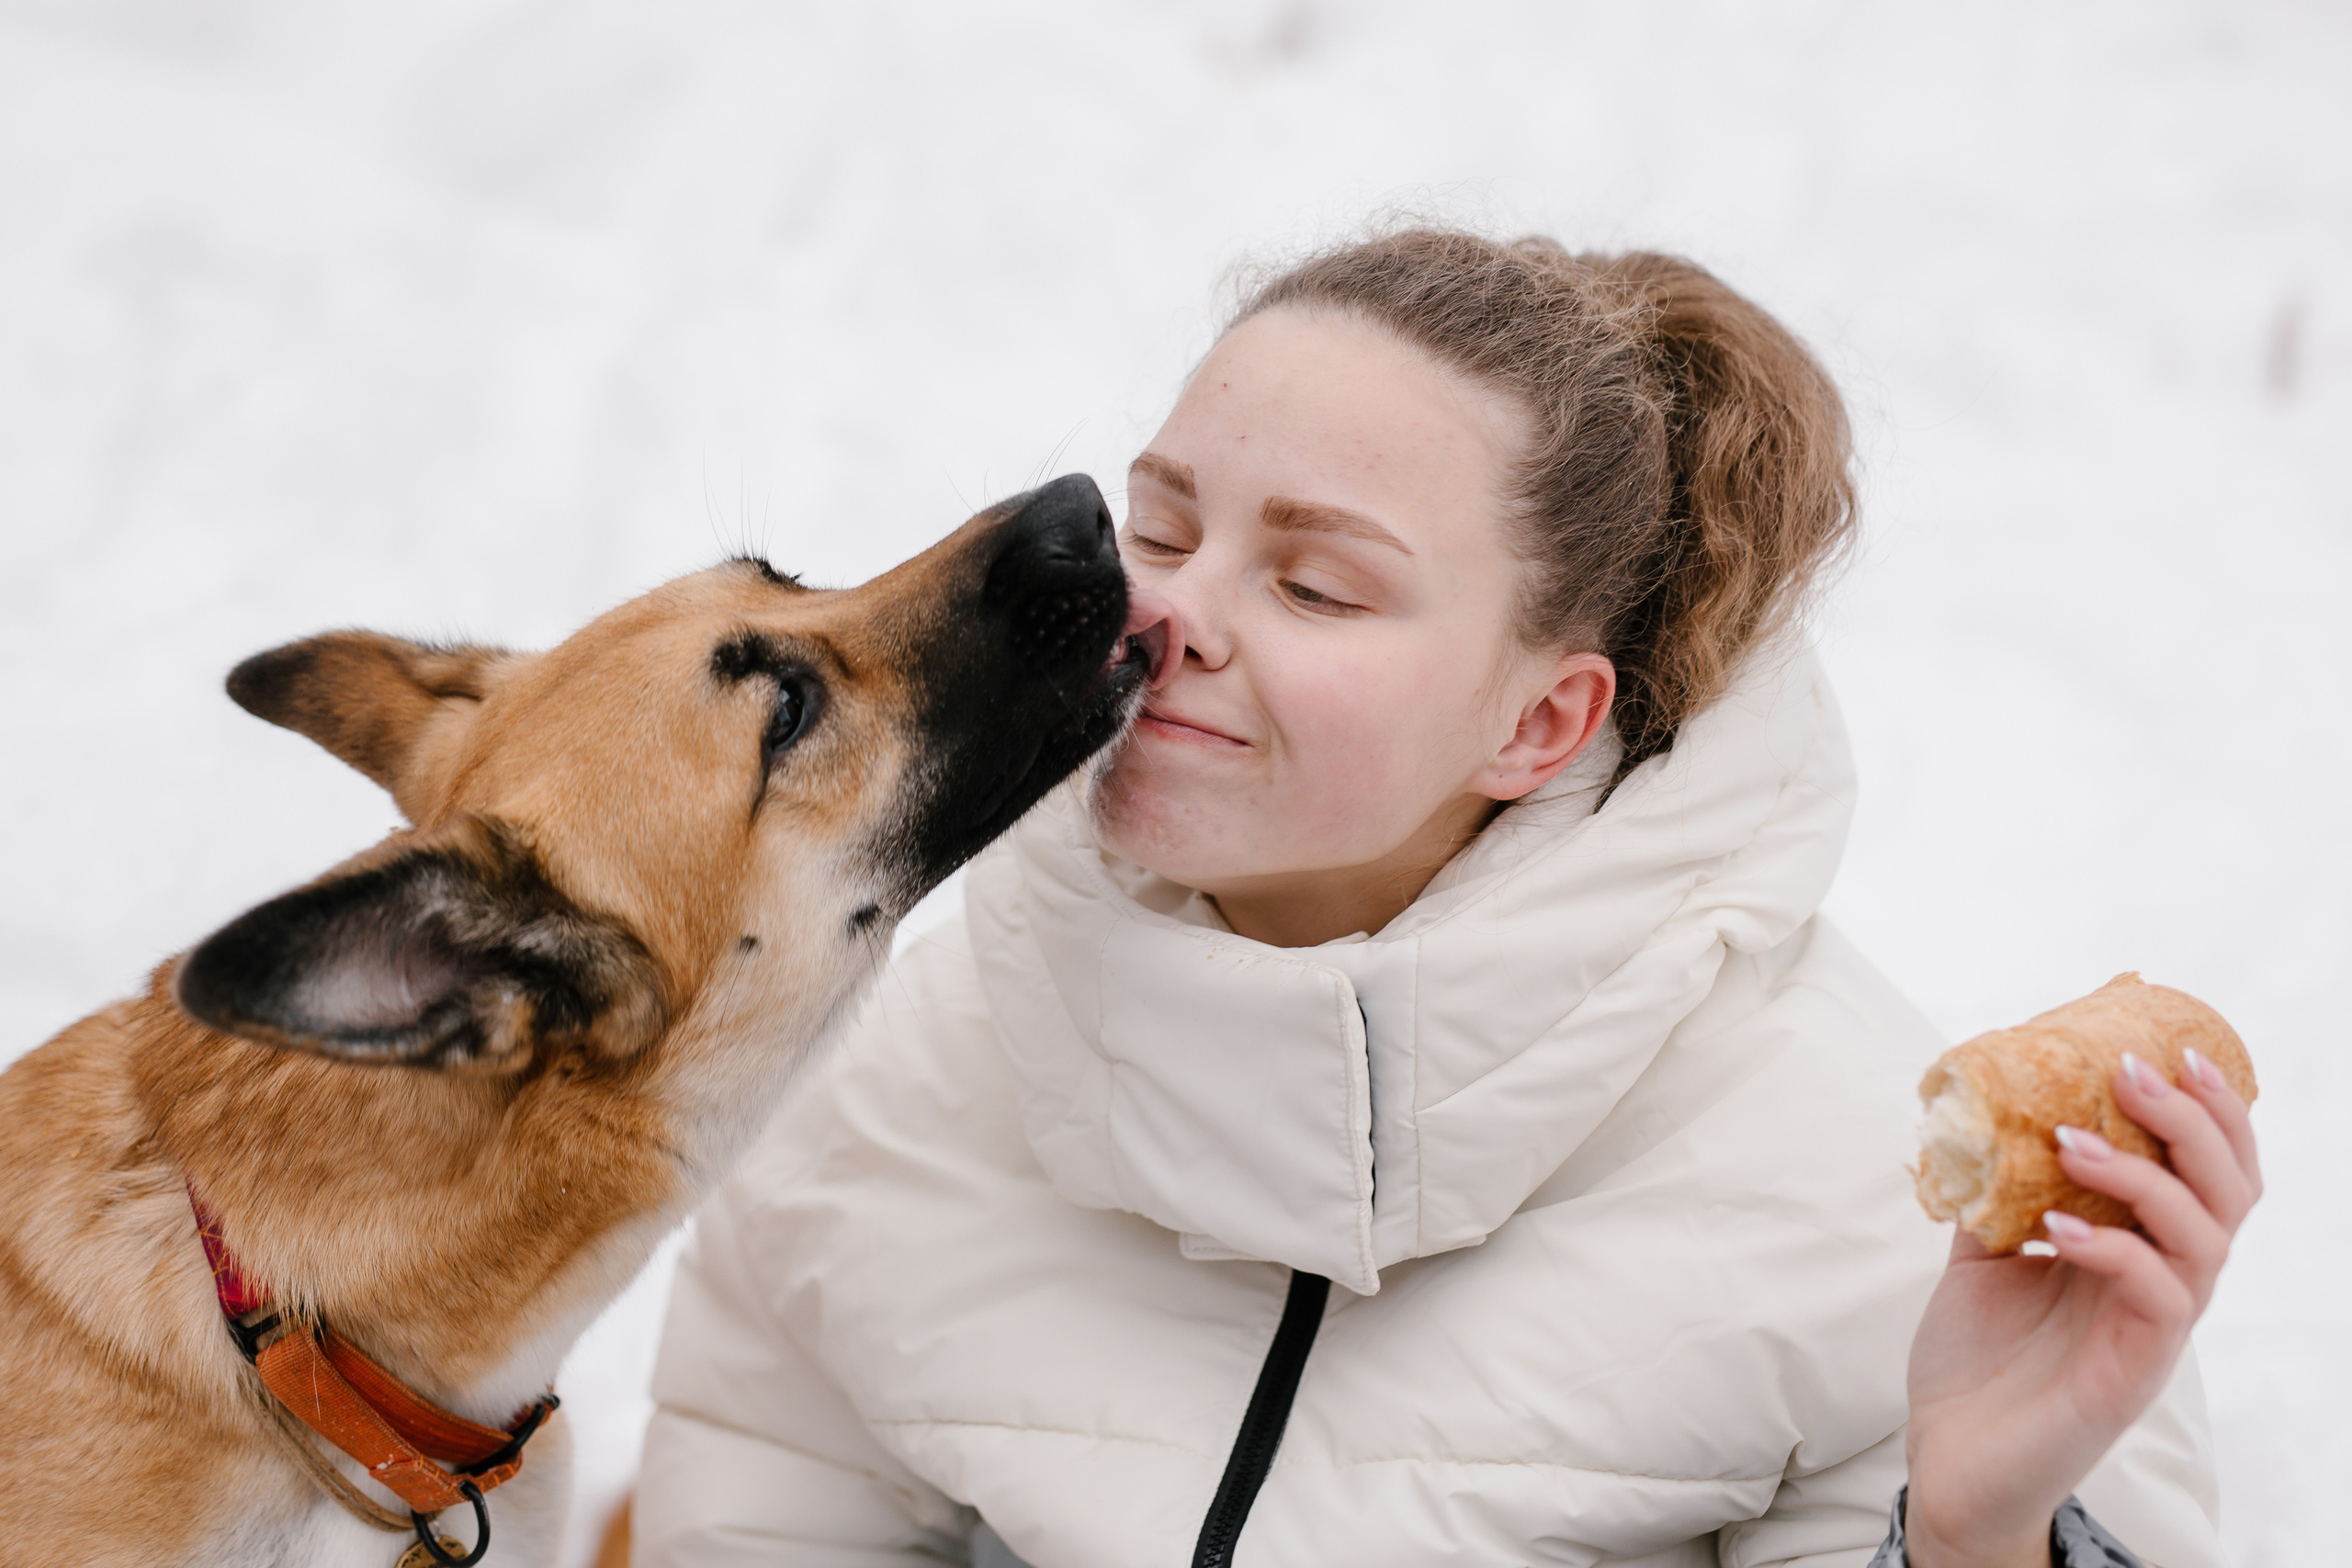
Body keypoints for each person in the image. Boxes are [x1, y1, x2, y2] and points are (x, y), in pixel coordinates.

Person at [630, 231, 2257, 1567]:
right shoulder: (890, 1073)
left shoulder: (1863, 1208)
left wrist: (1981, 1543)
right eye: (1162, 528)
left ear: (1536, 722)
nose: (1171, 612)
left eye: (1316, 583)